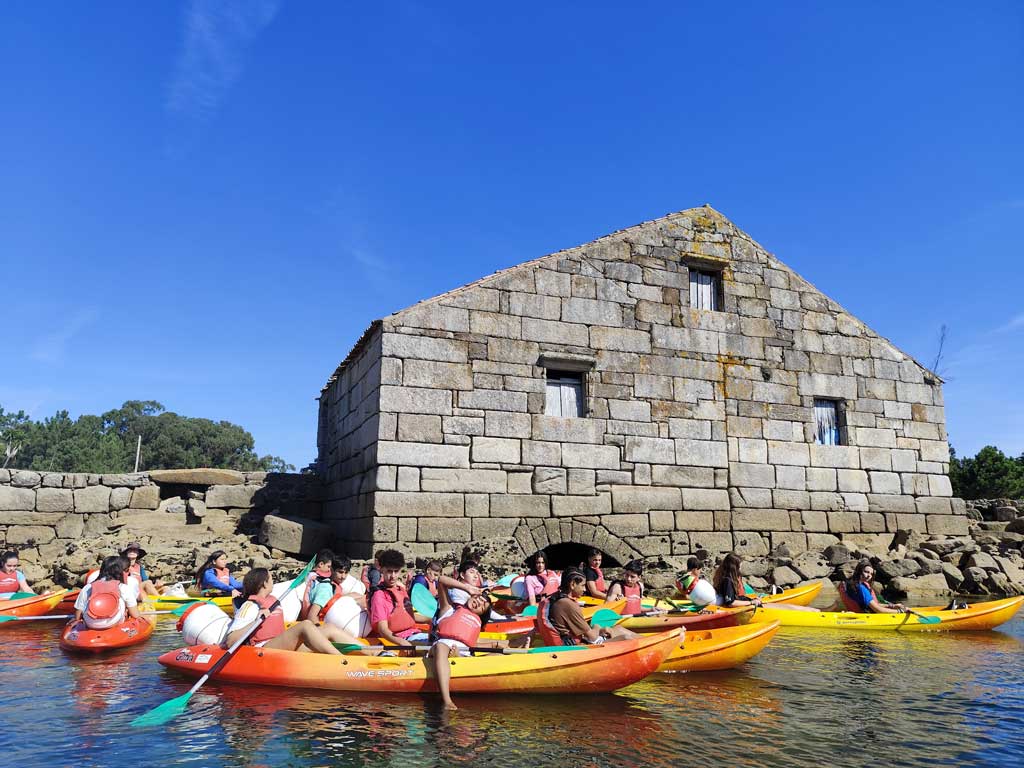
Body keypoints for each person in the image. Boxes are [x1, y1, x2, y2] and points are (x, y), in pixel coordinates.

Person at [222, 567, 363, 653]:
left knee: (329, 628)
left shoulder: (272, 600)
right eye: (271, 579)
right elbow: (230, 640)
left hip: (281, 643)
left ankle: (373, 654)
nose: (273, 581)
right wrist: (255, 622)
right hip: (264, 648)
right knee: (306, 625)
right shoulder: (250, 606)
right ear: (264, 583)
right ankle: (342, 662)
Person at [429, 574, 500, 709]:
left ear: (481, 614)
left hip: (465, 653)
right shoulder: (449, 609)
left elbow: (474, 644)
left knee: (497, 656)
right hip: (441, 646)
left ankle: (457, 658)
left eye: (482, 606)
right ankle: (447, 700)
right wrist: (468, 588)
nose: (479, 602)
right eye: (478, 598)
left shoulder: (476, 623)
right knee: (441, 647)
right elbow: (441, 580)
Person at [536, 571, 640, 646]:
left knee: (618, 629)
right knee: (626, 638)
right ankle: (652, 646)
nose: (585, 589)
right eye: (582, 585)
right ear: (572, 584)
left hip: (570, 642)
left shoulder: (554, 598)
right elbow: (593, 638)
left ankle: (652, 642)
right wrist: (597, 627)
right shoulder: (568, 604)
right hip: (575, 649)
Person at [712, 553, 818, 612]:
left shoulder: (729, 578)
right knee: (789, 609)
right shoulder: (728, 580)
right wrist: (751, 602)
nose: (741, 566)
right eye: (740, 564)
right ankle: (814, 613)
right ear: (734, 566)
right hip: (749, 607)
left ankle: (814, 611)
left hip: (751, 603)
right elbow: (731, 603)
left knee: (789, 607)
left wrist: (753, 599)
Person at [368, 549, 428, 647]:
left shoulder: (401, 589)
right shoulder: (379, 596)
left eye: (396, 571)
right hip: (400, 638)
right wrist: (401, 643)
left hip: (413, 633)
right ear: (381, 569)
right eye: (389, 571)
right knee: (439, 645)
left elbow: (407, 614)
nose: (393, 576)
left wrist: (430, 619)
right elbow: (383, 629)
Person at [73, 556, 146, 630]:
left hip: (90, 623)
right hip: (113, 622)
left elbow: (78, 614)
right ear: (119, 571)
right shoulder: (122, 587)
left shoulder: (88, 587)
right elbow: (135, 615)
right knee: (126, 608)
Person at [837, 561, 907, 614]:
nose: (869, 576)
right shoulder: (862, 588)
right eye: (866, 572)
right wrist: (900, 611)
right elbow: (878, 609)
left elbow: (836, 605)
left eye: (871, 574)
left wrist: (893, 606)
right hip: (865, 617)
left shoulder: (845, 584)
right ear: (859, 571)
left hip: (855, 615)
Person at [299, 548, 336, 621]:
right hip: (311, 613)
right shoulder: (318, 580)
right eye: (328, 566)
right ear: (321, 564)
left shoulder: (309, 573)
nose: (329, 570)